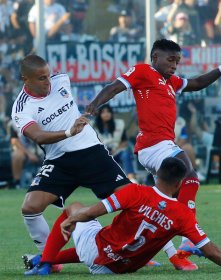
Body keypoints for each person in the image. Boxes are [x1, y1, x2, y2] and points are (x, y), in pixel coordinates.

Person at [85, 38, 221, 270]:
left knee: (160, 205)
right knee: (189, 175)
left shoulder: (170, 82)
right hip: (154, 144)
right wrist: (93, 106)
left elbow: (199, 82)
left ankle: (174, 255)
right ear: (155, 58)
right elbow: (114, 87)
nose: (174, 65)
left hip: (157, 147)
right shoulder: (143, 71)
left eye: (177, 61)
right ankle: (189, 240)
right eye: (170, 60)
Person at [23, 157, 221, 275]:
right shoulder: (182, 215)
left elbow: (92, 212)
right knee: (102, 241)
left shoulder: (135, 192)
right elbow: (209, 248)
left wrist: (72, 218)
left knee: (74, 206)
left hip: (99, 252)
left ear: (156, 175)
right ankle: (45, 258)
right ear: (180, 183)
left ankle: (45, 263)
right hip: (115, 269)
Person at [11, 55, 132, 271]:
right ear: (25, 79)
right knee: (30, 207)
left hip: (91, 152)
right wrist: (68, 132)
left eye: (48, 75)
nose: (48, 82)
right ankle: (49, 257)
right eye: (41, 78)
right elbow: (38, 136)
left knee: (132, 199)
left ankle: (137, 248)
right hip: (60, 161)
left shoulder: (61, 80)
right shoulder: (21, 107)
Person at [92, 104, 137, 182]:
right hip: (101, 154)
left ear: (112, 113)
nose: (106, 114)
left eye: (108, 112)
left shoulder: (119, 124)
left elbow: (124, 141)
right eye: (103, 112)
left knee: (125, 153)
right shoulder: (93, 126)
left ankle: (131, 178)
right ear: (99, 114)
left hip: (116, 152)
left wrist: (116, 150)